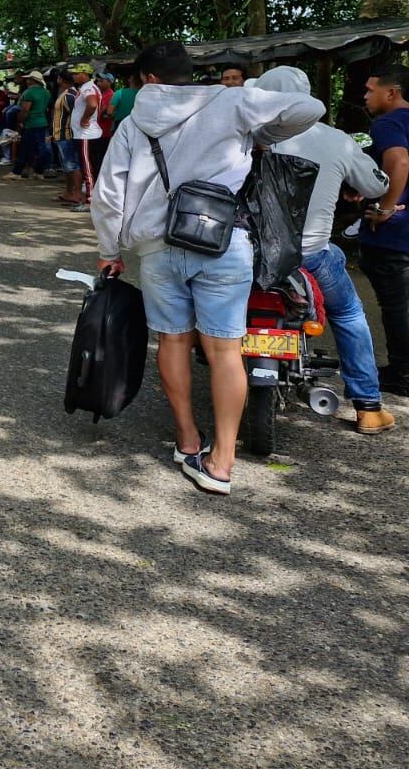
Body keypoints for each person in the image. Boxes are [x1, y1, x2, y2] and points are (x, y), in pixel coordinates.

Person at [90, 41, 323, 497]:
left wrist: (110, 249)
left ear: (148, 80)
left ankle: (187, 440)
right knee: (225, 351)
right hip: (225, 242)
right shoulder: (232, 100)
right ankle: (221, 462)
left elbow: (109, 193)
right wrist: (262, 136)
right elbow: (308, 106)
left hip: (158, 246)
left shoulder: (133, 122)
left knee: (173, 341)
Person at [250, 67, 395, 432]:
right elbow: (376, 185)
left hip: (246, 254)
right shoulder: (336, 140)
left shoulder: (245, 134)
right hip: (310, 255)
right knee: (347, 313)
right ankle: (368, 406)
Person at [357, 64, 409, 398]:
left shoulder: (388, 123)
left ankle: (402, 373)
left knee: (398, 305)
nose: (364, 95)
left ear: (391, 93)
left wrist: (386, 207)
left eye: (369, 89)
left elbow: (400, 161)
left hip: (395, 236)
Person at [70, 64, 103, 211]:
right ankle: (91, 198)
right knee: (91, 167)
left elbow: (92, 104)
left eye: (76, 73)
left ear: (85, 74)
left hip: (86, 134)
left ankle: (90, 201)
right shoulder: (89, 87)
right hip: (89, 134)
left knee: (88, 168)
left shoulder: (88, 88)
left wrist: (84, 119)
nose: (74, 76)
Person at [50, 70, 82, 204]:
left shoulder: (69, 95)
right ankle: (69, 192)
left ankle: (77, 194)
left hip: (66, 135)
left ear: (61, 79)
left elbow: (75, 115)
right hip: (61, 134)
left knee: (72, 165)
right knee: (66, 166)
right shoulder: (66, 94)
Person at [13, 71, 51, 180]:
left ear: (32, 80)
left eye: (29, 78)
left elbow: (25, 110)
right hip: (42, 121)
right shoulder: (46, 92)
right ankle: (38, 171)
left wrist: (20, 121)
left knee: (25, 147)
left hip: (31, 122)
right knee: (41, 147)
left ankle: (17, 172)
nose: (27, 80)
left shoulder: (29, 92)